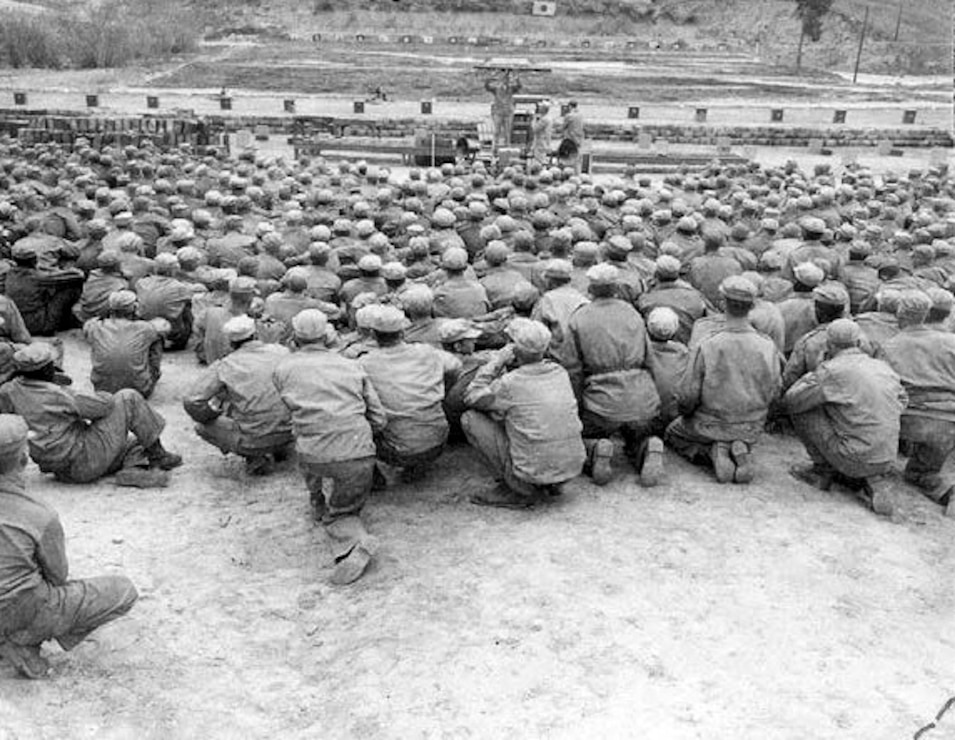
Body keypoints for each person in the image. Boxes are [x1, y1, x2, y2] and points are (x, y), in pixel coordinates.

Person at [0, 415, 138, 679]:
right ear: (22, 459)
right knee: (123, 590)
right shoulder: (39, 515)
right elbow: (57, 576)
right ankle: (20, 640)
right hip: (20, 609)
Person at [272, 310, 387, 586]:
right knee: (345, 510)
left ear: (295, 337)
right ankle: (352, 533)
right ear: (326, 335)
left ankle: (318, 501)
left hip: (313, 454)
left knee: (305, 436)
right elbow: (379, 418)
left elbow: (289, 413)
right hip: (357, 452)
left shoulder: (283, 369)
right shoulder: (352, 366)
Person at [0, 344, 182, 487]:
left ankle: (137, 467)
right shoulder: (59, 394)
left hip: (56, 466)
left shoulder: (8, 390)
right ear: (46, 369)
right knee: (128, 398)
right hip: (82, 460)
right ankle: (158, 455)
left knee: (133, 444)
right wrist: (72, 389)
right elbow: (105, 406)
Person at [784, 319, 906, 516]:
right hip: (887, 456)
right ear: (858, 343)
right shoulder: (882, 367)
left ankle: (821, 471)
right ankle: (872, 479)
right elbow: (902, 401)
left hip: (851, 455)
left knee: (805, 407)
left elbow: (792, 400)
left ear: (829, 345)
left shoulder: (832, 370)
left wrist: (817, 371)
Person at [665, 276, 782, 484]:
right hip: (751, 425)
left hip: (709, 423)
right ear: (752, 306)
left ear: (722, 303)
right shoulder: (768, 345)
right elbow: (775, 390)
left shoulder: (708, 343)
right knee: (738, 432)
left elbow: (688, 394)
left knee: (673, 433)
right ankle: (739, 447)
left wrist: (684, 414)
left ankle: (712, 452)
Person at [462, 318, 585, 508]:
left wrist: (497, 361)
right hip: (571, 467)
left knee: (470, 418)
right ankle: (553, 482)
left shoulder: (510, 383)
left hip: (532, 470)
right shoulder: (560, 372)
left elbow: (471, 395)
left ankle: (519, 488)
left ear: (515, 349)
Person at [565, 264, 664, 487]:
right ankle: (647, 446)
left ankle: (596, 449)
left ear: (590, 288)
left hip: (601, 402)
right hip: (641, 397)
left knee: (582, 435)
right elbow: (650, 360)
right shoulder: (633, 314)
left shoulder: (579, 318)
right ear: (616, 287)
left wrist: (577, 408)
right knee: (636, 432)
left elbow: (573, 370)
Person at [358, 306, 461, 481]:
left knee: (356, 411)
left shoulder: (364, 364)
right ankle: (417, 464)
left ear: (373, 335)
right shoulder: (427, 352)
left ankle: (373, 477)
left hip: (396, 449)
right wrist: (442, 392)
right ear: (403, 333)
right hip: (438, 440)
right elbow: (455, 367)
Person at [183, 315, 294, 476]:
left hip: (253, 439)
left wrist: (210, 415)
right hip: (292, 431)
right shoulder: (283, 352)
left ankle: (254, 456)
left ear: (230, 343)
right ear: (256, 335)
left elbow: (192, 401)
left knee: (204, 426)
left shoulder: (225, 365)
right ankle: (280, 447)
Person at [882, 291, 955, 514]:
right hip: (947, 422)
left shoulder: (892, 344)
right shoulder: (952, 342)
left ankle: (872, 477)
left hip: (903, 419)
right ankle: (944, 489)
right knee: (922, 473)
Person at [83, 290, 165, 398]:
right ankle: (150, 376)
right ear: (134, 308)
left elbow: (88, 326)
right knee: (157, 339)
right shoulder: (144, 328)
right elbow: (165, 326)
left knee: (98, 341)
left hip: (102, 388)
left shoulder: (96, 327)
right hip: (138, 391)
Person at [484, 69, 522, 148]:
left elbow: (519, 86)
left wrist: (517, 77)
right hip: (498, 112)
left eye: (506, 81)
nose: (504, 83)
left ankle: (507, 147)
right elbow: (487, 87)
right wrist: (490, 77)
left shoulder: (511, 89)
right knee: (496, 131)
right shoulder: (496, 89)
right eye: (503, 81)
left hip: (508, 112)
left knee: (507, 132)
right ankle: (494, 147)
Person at [555, 100, 585, 174]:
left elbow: (563, 128)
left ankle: (563, 172)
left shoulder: (569, 116)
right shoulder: (580, 115)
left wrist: (555, 128)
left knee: (562, 157)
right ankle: (577, 173)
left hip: (570, 139)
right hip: (579, 138)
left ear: (570, 106)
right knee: (576, 158)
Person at [530, 100, 553, 166]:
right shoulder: (547, 118)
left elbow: (535, 129)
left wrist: (533, 120)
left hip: (540, 142)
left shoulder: (544, 119)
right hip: (544, 142)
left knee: (539, 160)